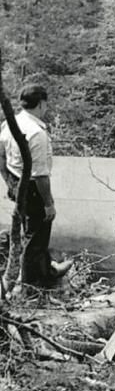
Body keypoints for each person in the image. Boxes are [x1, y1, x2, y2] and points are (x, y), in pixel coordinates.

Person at [0, 84, 71, 293]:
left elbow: (1, 156)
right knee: (36, 234)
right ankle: (30, 286)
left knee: (31, 230)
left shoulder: (10, 124)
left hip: (17, 181)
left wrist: (9, 182)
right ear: (41, 104)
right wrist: (49, 203)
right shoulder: (36, 132)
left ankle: (46, 270)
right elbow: (40, 175)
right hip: (31, 186)